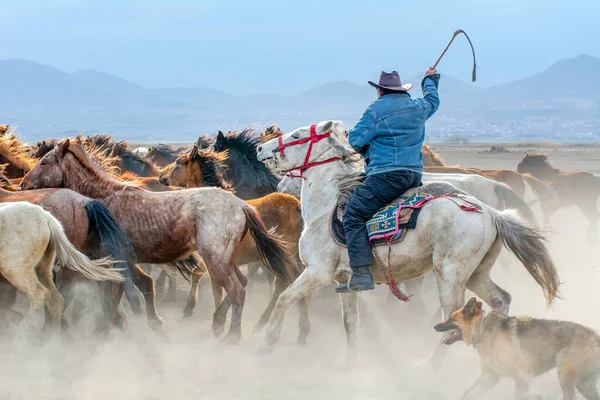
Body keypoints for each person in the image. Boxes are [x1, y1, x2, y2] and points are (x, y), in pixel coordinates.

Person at [336, 67, 440, 293]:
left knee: (353, 214)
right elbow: (433, 100)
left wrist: (366, 150)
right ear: (400, 90)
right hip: (413, 176)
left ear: (380, 91)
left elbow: (354, 140)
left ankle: (362, 273)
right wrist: (430, 79)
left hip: (385, 176)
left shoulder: (375, 110)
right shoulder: (419, 107)